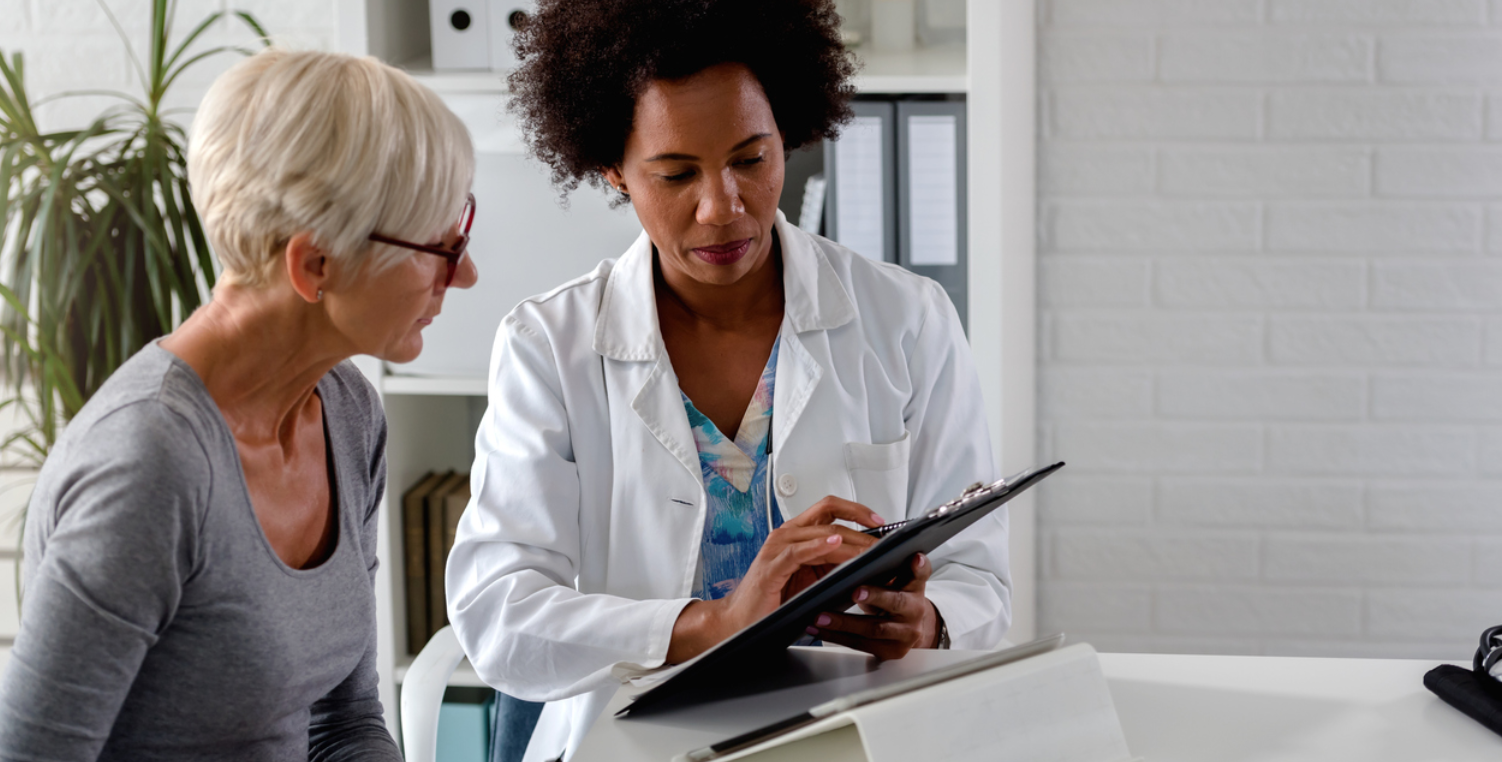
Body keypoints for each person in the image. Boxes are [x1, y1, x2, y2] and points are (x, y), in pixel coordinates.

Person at [445, 1, 1008, 759]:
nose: (723, 208)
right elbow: (498, 613)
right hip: (636, 741)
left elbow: (980, 577)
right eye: (677, 173)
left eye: (751, 158)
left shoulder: (908, 319)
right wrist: (707, 625)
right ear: (612, 168)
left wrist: (932, 620)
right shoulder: (549, 347)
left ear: (790, 135)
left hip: (860, 733)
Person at [0, 49, 478, 759]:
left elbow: (341, 724)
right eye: (440, 246)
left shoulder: (348, 414)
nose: (465, 273)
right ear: (315, 264)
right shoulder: (149, 466)